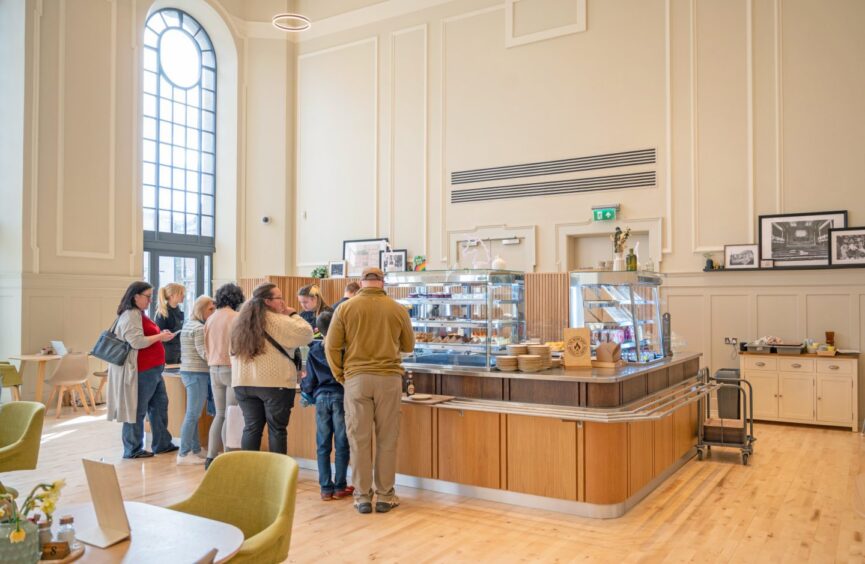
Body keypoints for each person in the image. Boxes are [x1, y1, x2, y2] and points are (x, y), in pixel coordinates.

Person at [325, 267, 414, 514]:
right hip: (389, 379)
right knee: (387, 439)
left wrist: (341, 375)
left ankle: (362, 497)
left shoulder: (345, 308)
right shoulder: (397, 308)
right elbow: (408, 345)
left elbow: (330, 347)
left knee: (359, 439)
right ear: (382, 283)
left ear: (361, 283)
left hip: (356, 379)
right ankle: (386, 496)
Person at [230, 283, 313, 454]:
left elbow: (230, 351)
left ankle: (249, 472)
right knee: (277, 430)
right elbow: (307, 334)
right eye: (279, 298)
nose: (282, 301)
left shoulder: (239, 321)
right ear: (268, 301)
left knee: (251, 428)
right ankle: (276, 476)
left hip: (243, 383)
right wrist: (293, 314)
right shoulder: (280, 320)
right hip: (275, 385)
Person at [107, 281, 177, 459]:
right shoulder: (131, 315)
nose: (149, 300)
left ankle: (162, 443)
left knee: (159, 406)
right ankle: (133, 449)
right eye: (147, 296)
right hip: (141, 370)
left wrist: (160, 337)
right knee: (137, 410)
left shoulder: (139, 314)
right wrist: (160, 336)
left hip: (152, 370)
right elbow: (137, 342)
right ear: (135, 296)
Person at [300, 310, 353, 501]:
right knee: (341, 443)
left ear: (318, 330)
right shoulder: (344, 349)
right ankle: (340, 487)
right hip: (341, 396)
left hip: (322, 399)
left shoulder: (314, 350)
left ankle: (325, 488)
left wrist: (306, 389)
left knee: (322, 444)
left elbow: (310, 381)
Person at [203, 283, 245, 470]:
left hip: (214, 368)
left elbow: (205, 346)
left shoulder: (210, 319)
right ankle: (229, 456)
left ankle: (211, 457)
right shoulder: (236, 318)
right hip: (231, 368)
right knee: (232, 413)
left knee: (220, 414)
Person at [177, 295, 216, 465]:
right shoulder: (199, 329)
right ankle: (184, 453)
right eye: (210, 309)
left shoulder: (188, 325)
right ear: (201, 310)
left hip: (189, 372)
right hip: (197, 373)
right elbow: (204, 353)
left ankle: (195, 449)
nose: (213, 312)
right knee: (192, 414)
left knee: (193, 413)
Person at [155, 283, 186, 365]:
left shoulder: (179, 311)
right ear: (171, 296)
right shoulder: (162, 313)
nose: (184, 296)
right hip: (168, 353)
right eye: (181, 293)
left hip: (179, 350)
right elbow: (158, 336)